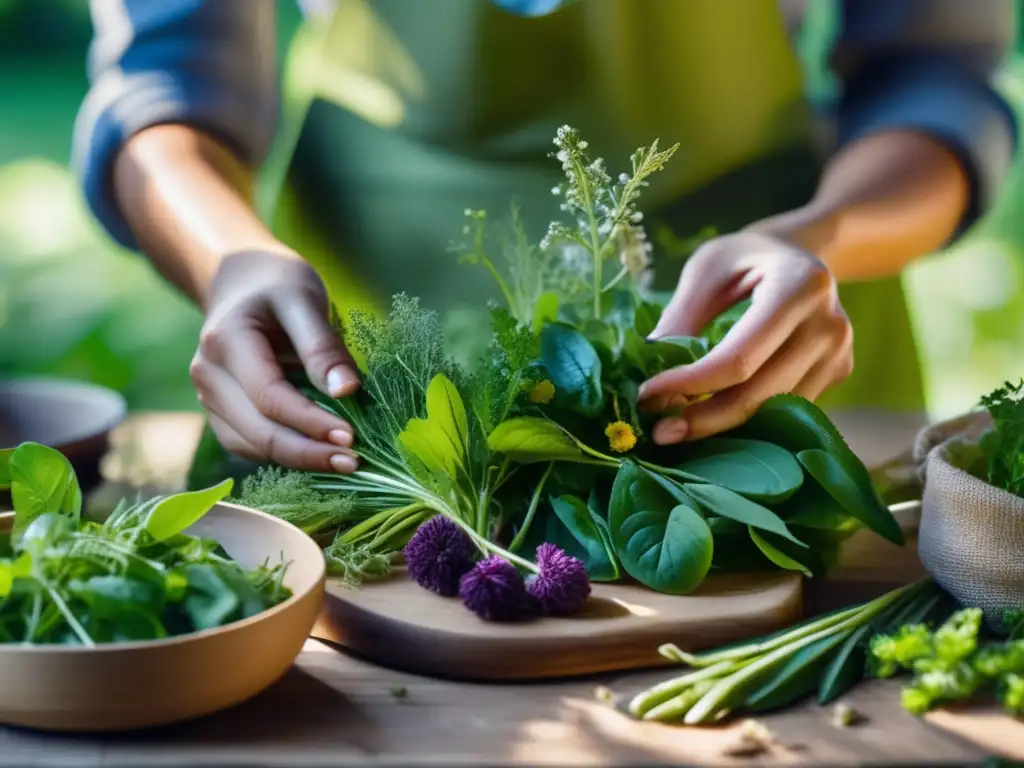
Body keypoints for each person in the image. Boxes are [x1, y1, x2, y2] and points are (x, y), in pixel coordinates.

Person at [74, 0, 1016, 474]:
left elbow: (930, 73)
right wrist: (228, 262)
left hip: (760, 364)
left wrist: (828, 235)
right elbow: (166, 84)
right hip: (367, 376)